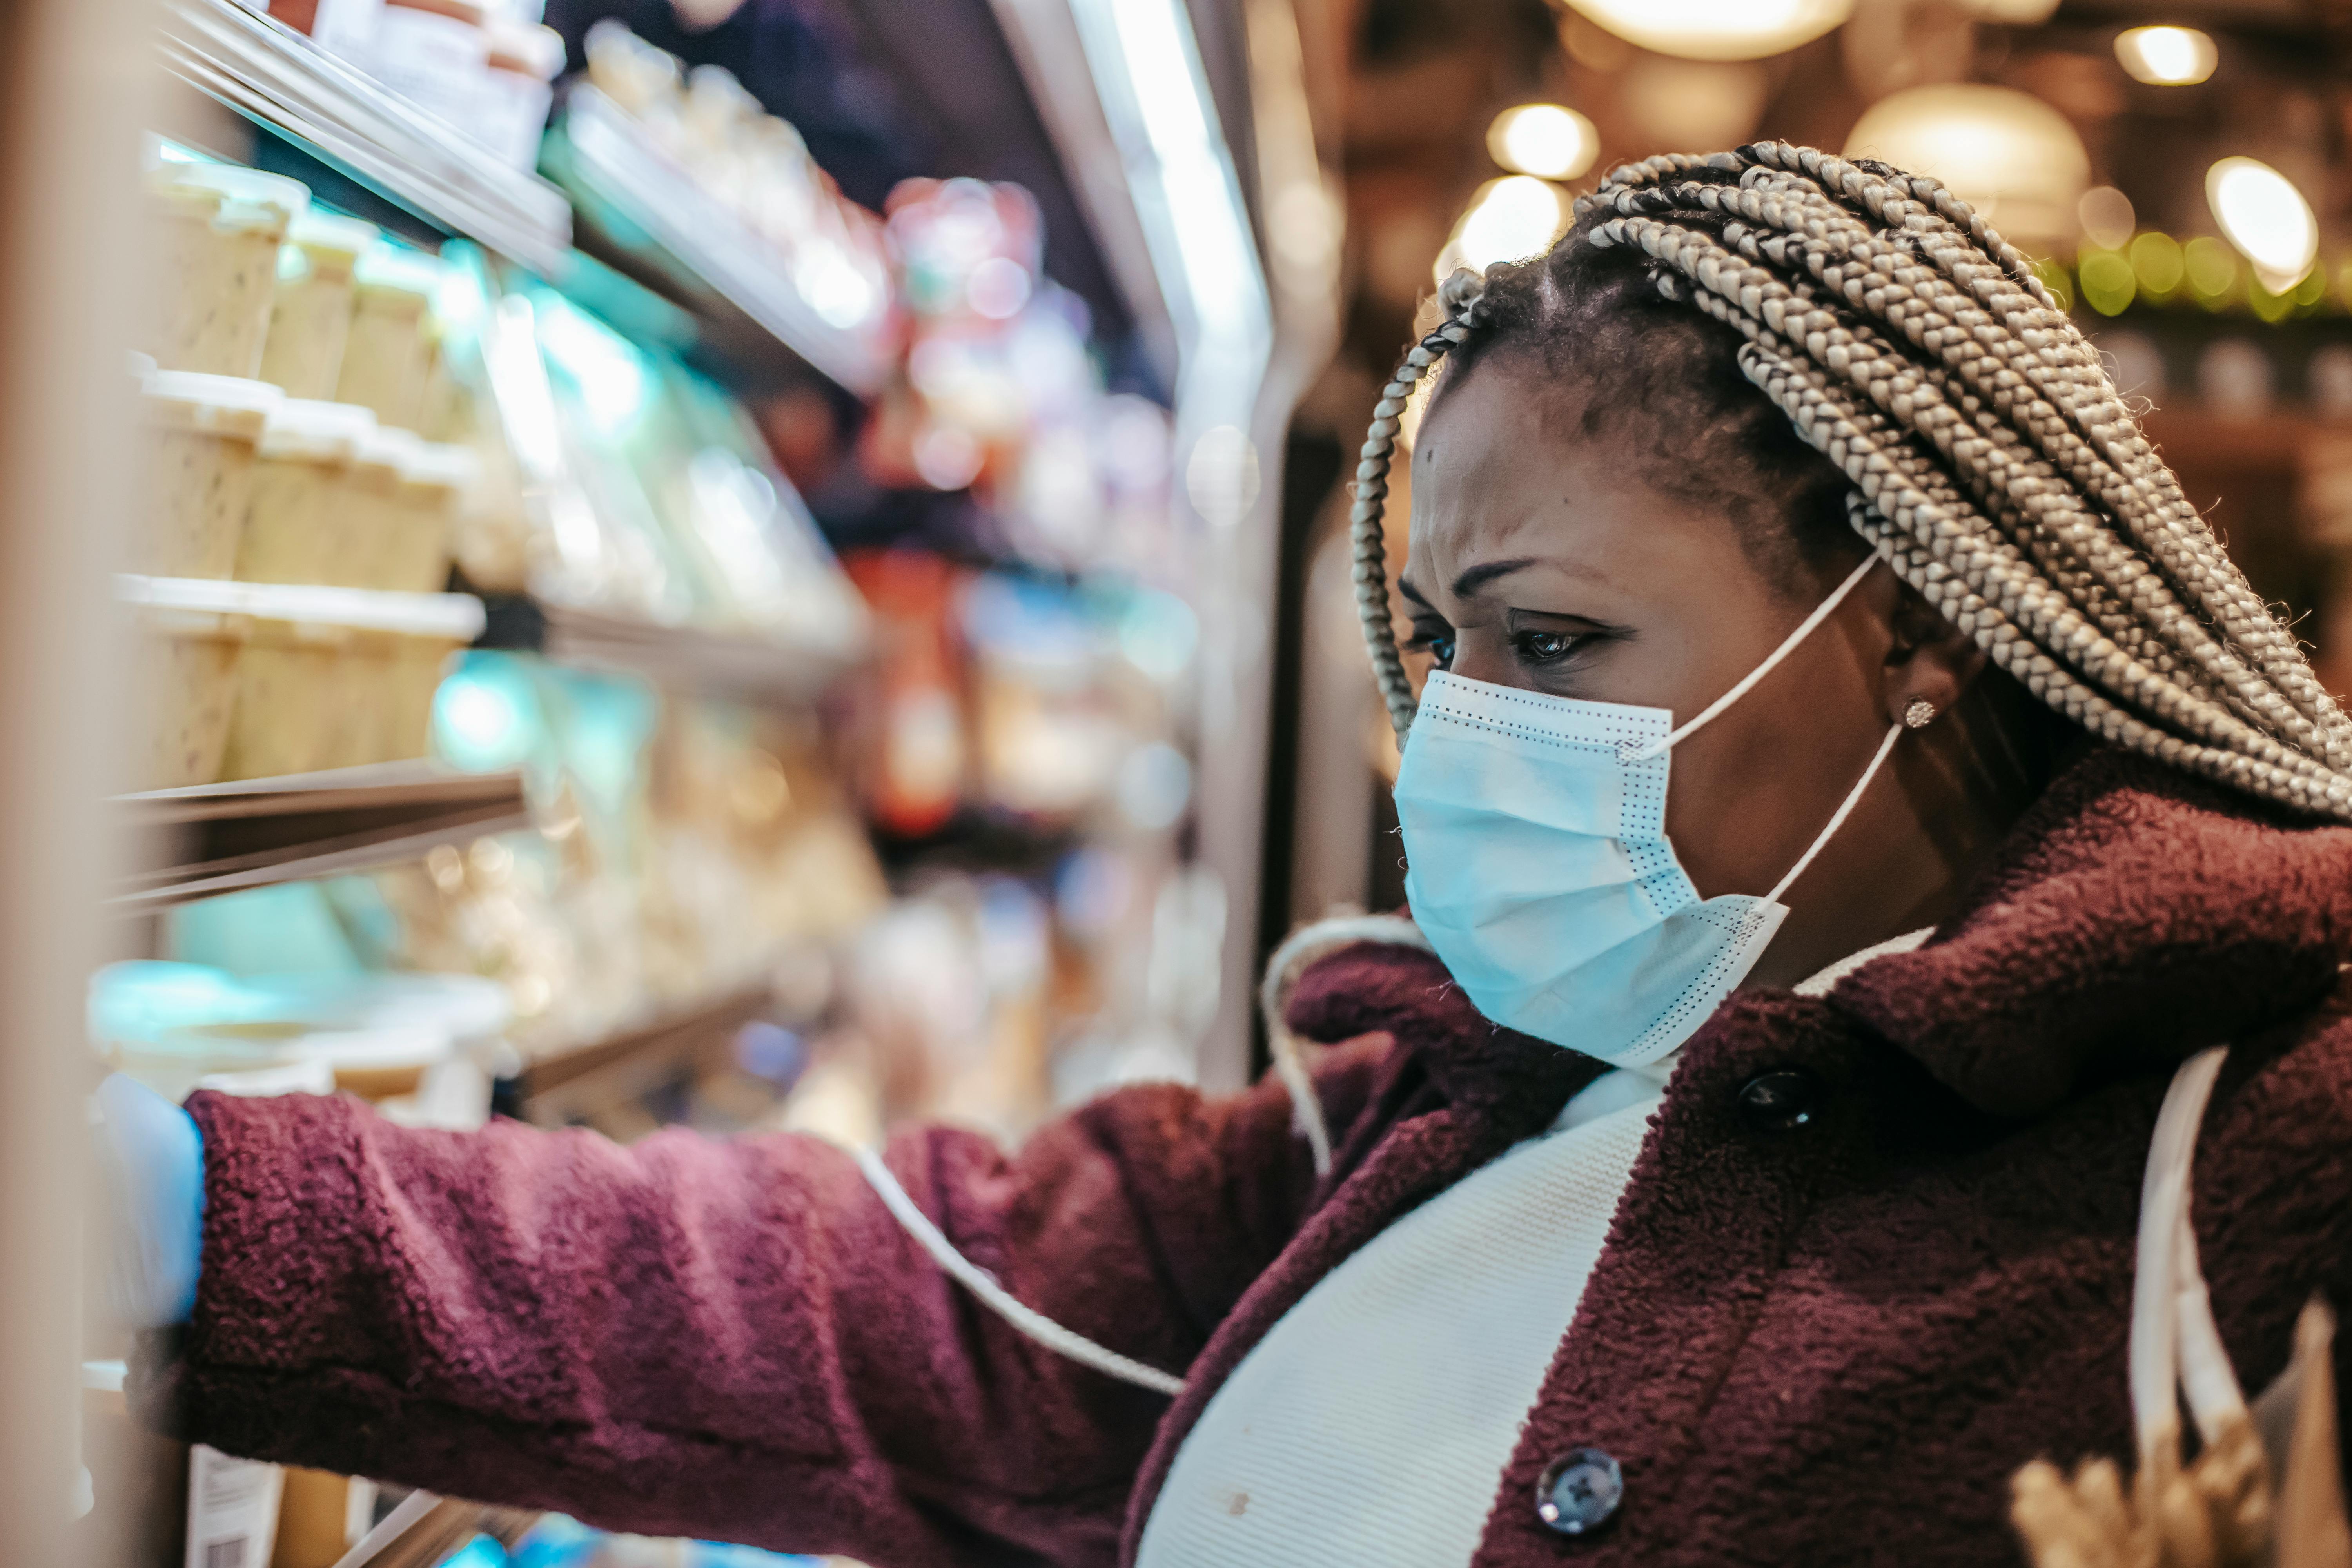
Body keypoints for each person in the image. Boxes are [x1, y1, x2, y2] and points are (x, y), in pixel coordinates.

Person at [105, 144, 2352, 1567]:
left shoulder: (2260, 1171)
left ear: (1916, 637)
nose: (1469, 738)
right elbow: (883, 1303)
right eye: (1443, 651)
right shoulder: (1437, 1116)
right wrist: (201, 1210)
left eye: (1557, 642)